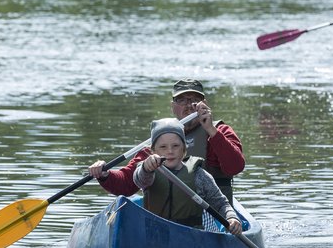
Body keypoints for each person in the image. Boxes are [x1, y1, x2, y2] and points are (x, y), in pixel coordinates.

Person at [89, 78, 245, 201]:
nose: (189, 105)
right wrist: (104, 175)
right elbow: (126, 185)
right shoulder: (160, 138)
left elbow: (235, 167)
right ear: (173, 106)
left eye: (194, 100)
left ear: (204, 105)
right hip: (170, 218)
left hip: (214, 220)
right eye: (182, 100)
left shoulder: (221, 132)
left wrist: (211, 131)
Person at [131, 118, 242, 235]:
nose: (170, 151)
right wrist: (145, 168)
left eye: (175, 146)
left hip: (193, 237)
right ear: (153, 151)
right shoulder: (148, 171)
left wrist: (232, 218)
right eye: (163, 147)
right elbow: (140, 180)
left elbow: (221, 204)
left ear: (184, 149)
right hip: (156, 235)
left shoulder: (199, 175)